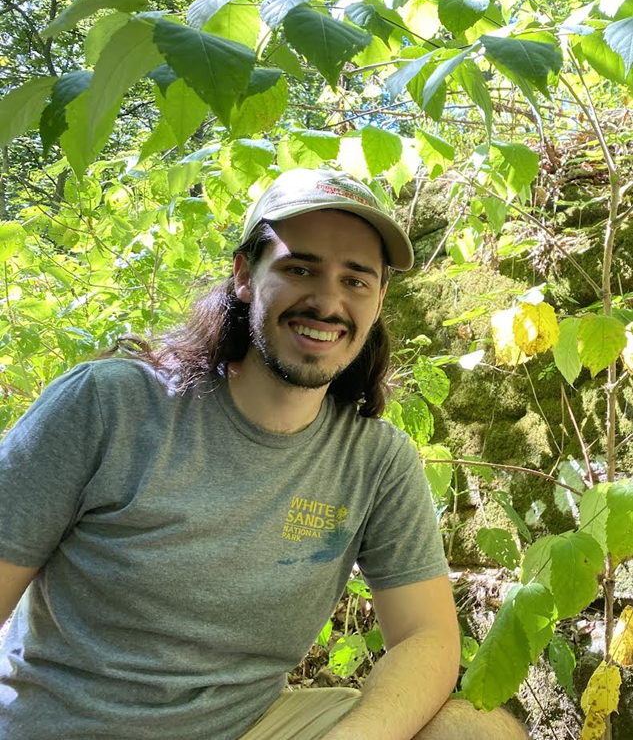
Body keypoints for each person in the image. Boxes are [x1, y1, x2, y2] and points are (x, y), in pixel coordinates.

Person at [0, 168, 527, 739]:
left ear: (378, 300)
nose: (327, 301)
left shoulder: (376, 460)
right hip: (62, 724)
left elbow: (427, 638)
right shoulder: (108, 406)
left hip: (250, 726)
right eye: (300, 269)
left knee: (476, 731)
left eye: (356, 280)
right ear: (246, 276)